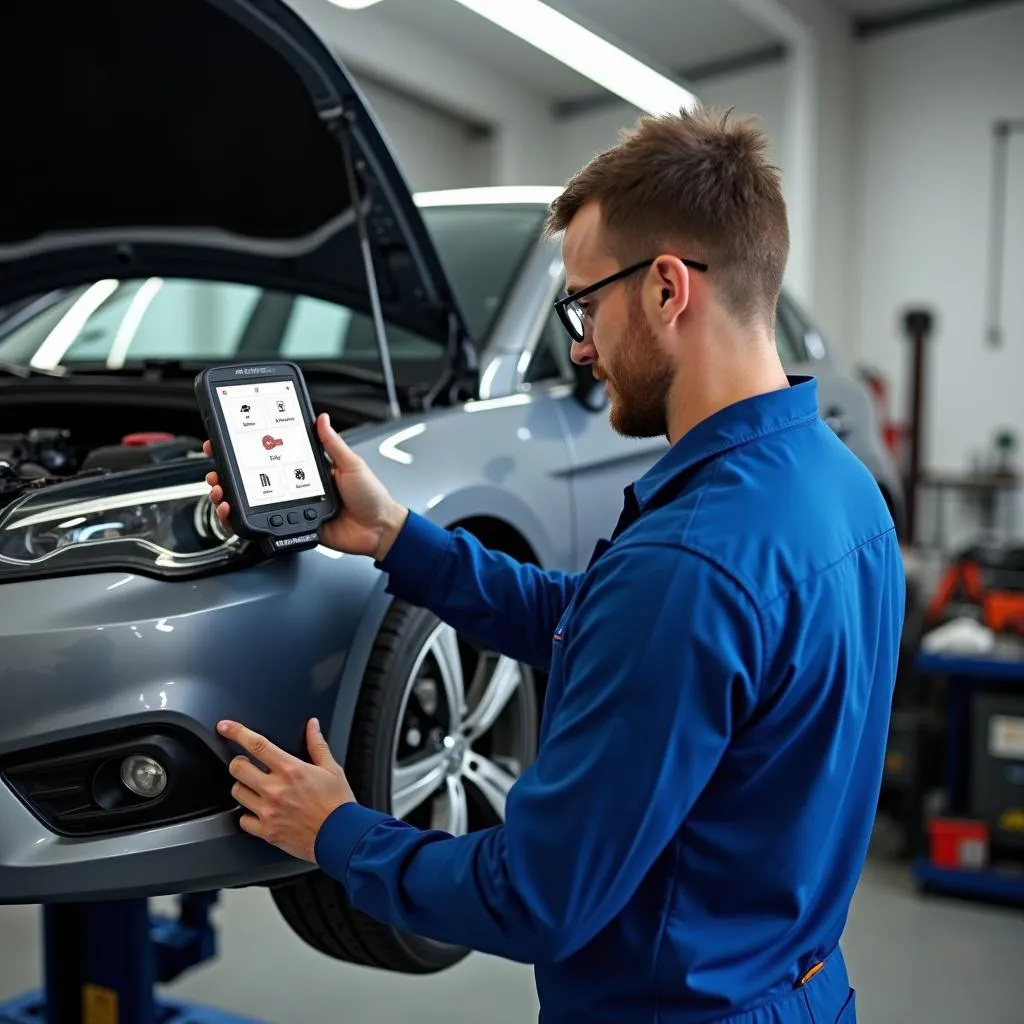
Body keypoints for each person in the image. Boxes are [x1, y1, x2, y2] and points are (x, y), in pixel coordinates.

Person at [207, 105, 906, 1023]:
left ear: (666, 290)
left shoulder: (690, 565)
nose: (578, 344)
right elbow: (599, 620)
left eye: (584, 304)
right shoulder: (837, 487)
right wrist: (395, 536)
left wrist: (337, 833)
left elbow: (535, 897)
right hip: (803, 989)